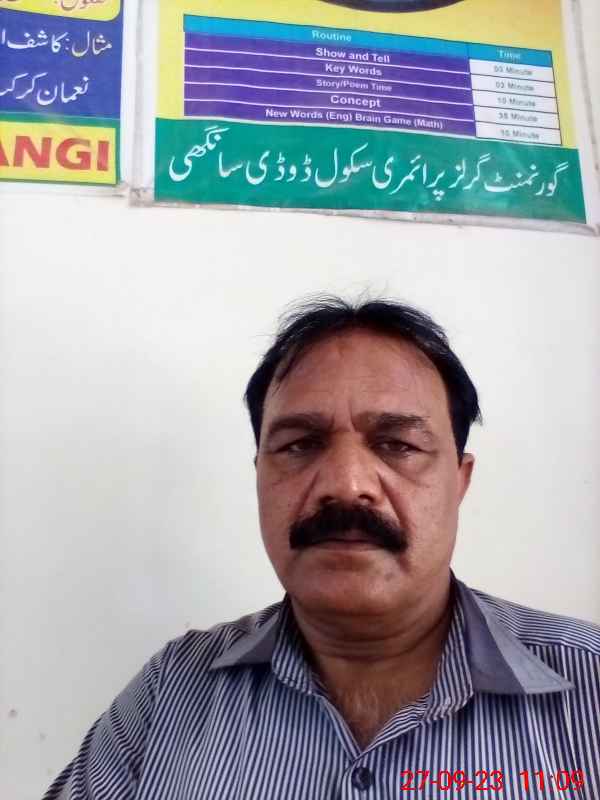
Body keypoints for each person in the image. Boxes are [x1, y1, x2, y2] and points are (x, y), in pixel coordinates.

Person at [44, 297, 600, 799]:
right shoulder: (169, 691)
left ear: (460, 481)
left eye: (397, 444)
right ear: (259, 476)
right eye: (300, 445)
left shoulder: (589, 687)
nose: (346, 484)